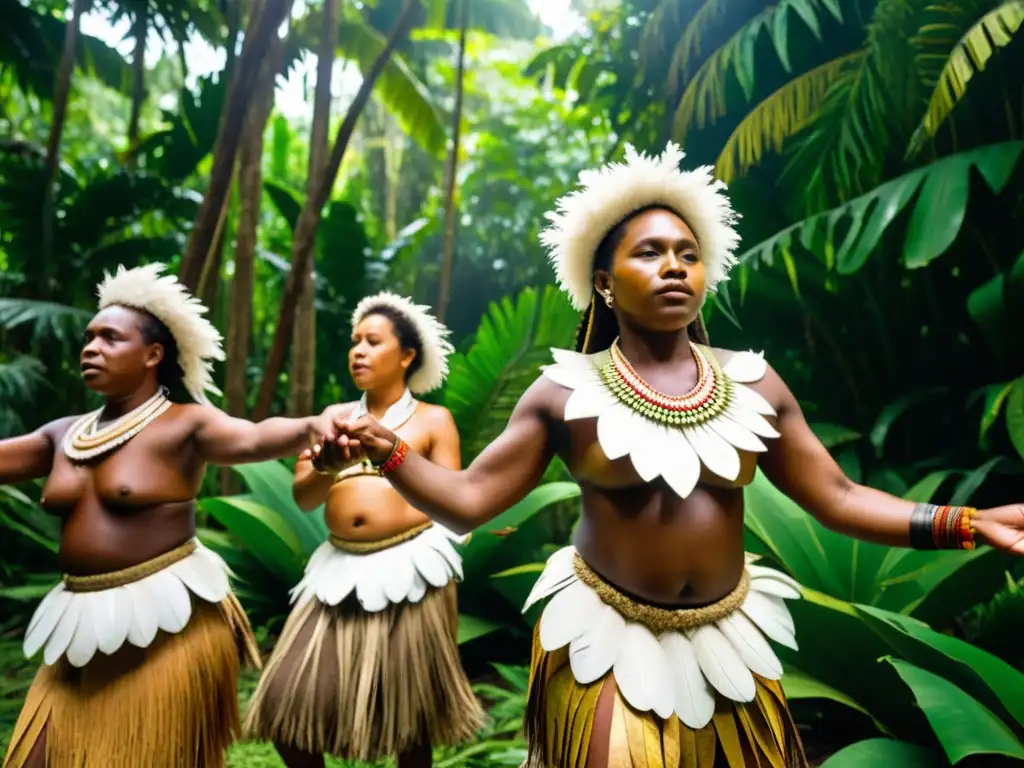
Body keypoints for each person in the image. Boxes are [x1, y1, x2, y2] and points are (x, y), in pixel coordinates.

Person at [317, 144, 1024, 768]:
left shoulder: (753, 383)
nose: (674, 267)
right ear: (603, 281)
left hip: (729, 640)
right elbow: (470, 499)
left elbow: (837, 497)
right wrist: (392, 453)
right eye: (649, 253)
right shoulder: (563, 393)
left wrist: (970, 523)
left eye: (688, 254)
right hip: (606, 638)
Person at [1, 263, 340, 768]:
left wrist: (314, 426)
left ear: (152, 355)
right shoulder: (63, 434)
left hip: (168, 623)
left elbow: (253, 437)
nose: (90, 348)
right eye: (90, 337)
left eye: (110, 338)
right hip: (79, 623)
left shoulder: (186, 425)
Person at [243, 291, 485, 768]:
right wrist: (327, 467)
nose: (358, 350)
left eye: (373, 342)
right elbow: (305, 496)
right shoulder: (332, 418)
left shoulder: (435, 421)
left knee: (410, 725)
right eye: (355, 341)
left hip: (413, 569)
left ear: (407, 355)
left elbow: (453, 504)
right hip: (336, 570)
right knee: (287, 709)